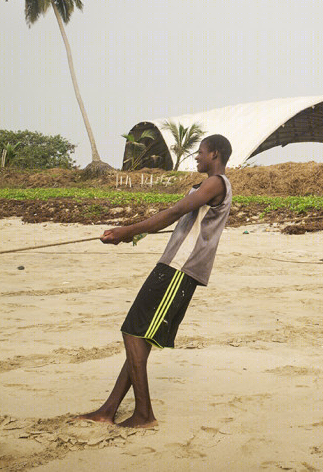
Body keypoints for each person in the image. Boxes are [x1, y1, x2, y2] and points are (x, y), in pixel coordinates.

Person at [78, 134, 233, 428]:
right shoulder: (212, 184)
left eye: (200, 152)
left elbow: (175, 212)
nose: (196, 158)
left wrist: (128, 231)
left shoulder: (216, 182)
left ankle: (144, 414)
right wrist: (134, 233)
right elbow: (178, 218)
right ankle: (108, 410)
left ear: (214, 154)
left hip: (179, 268)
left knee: (134, 333)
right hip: (175, 265)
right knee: (140, 337)